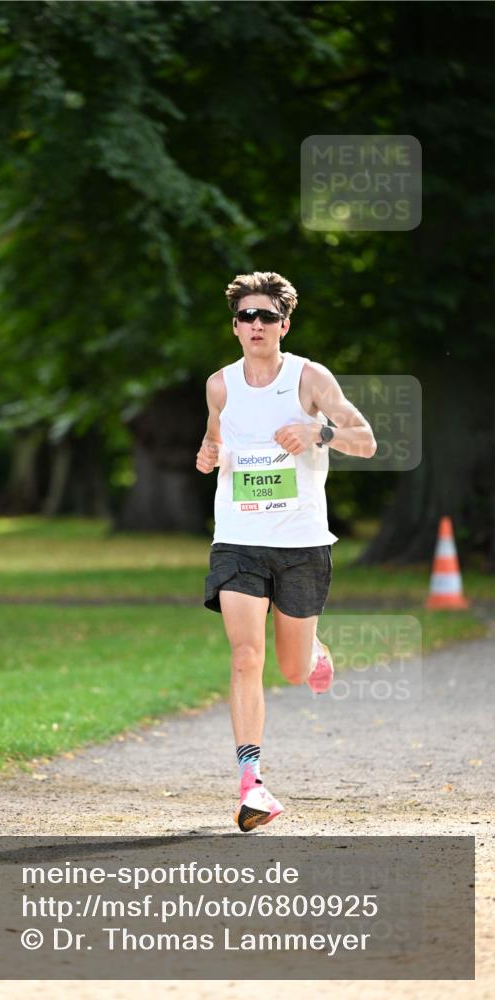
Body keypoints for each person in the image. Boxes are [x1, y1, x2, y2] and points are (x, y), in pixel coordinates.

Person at [196, 271, 376, 832]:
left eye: (266, 317)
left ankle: (314, 650)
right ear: (235, 327)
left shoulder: (309, 378)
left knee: (293, 669)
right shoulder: (220, 385)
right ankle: (253, 785)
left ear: (284, 324)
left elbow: (366, 441)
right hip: (238, 541)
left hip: (301, 544)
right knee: (246, 656)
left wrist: (317, 434)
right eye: (246, 316)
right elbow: (215, 439)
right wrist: (207, 453)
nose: (256, 325)